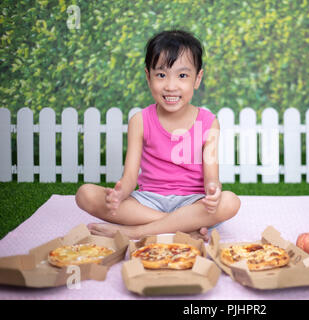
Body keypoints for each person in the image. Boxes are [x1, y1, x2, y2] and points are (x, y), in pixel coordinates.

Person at [75, 30, 241, 241]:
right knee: (85, 194)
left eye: (182, 76)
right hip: (147, 201)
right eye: (161, 75)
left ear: (197, 79)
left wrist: (213, 191)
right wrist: (119, 193)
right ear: (148, 76)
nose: (171, 86)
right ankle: (181, 228)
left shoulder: (209, 122)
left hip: (192, 203)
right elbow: (130, 178)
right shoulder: (140, 120)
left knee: (230, 202)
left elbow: (212, 178)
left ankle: (137, 231)